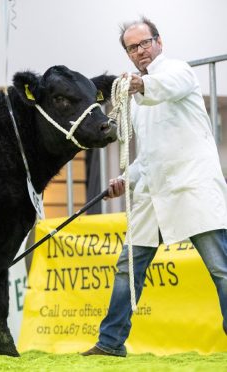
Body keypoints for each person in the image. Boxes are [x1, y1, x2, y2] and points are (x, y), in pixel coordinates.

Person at [82, 16, 227, 357]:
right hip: (153, 192)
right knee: (127, 268)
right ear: (128, 54)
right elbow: (149, 156)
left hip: (192, 187)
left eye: (145, 43)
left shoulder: (177, 70)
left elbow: (168, 86)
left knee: (221, 268)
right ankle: (110, 343)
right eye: (132, 48)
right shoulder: (134, 97)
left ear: (159, 43)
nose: (140, 51)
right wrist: (125, 178)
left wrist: (139, 86)